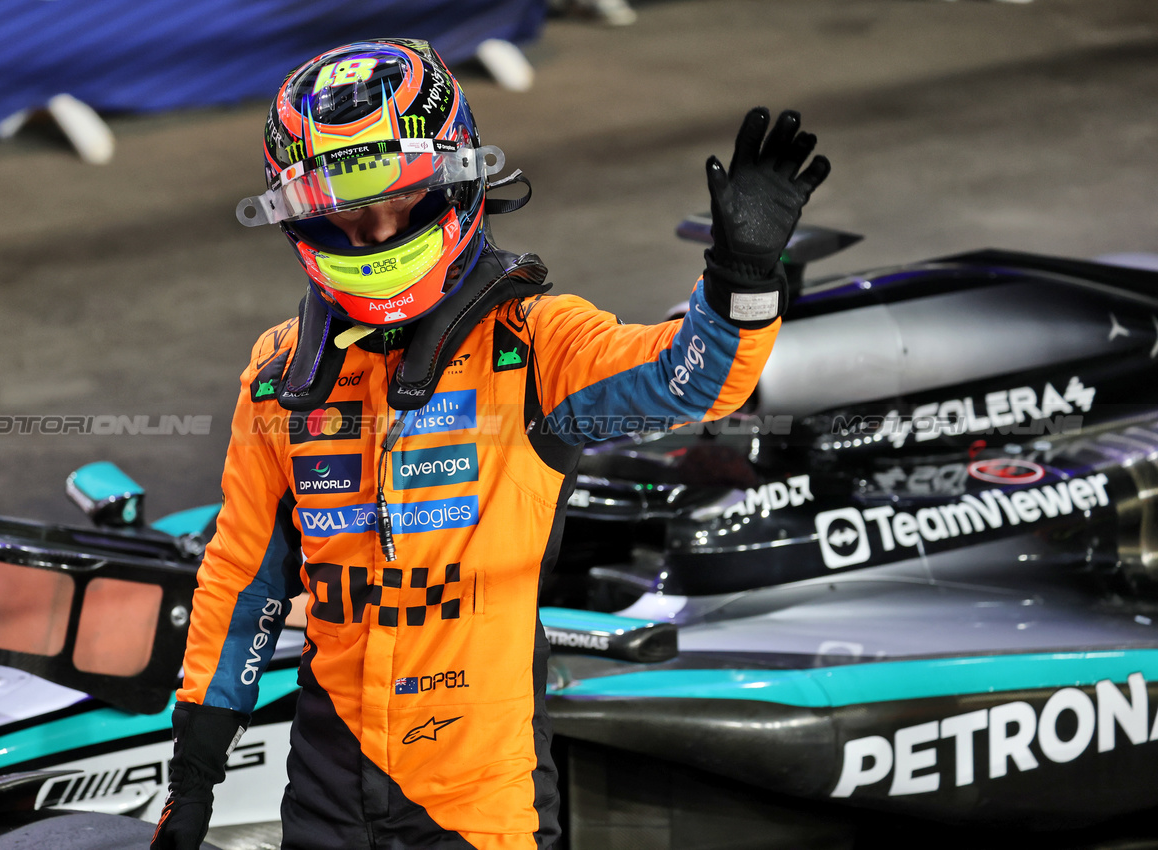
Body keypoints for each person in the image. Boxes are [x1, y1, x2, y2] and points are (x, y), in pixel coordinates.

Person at [150, 37, 828, 850]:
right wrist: (191, 779)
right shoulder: (278, 375)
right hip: (327, 787)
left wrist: (741, 277)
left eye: (401, 199)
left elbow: (689, 379)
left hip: (478, 801)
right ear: (301, 216)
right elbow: (242, 579)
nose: (375, 231)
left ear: (457, 179)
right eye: (346, 211)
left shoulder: (536, 343)